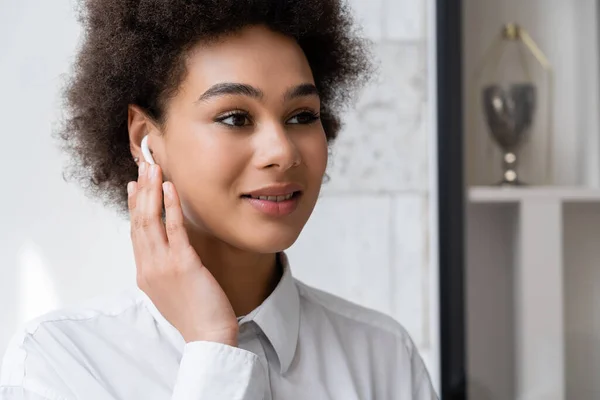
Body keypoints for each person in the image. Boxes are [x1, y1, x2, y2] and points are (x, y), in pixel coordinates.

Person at [0, 0, 437, 399]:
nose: (283, 151)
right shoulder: (59, 363)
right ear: (144, 138)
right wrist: (211, 343)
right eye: (235, 117)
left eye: (302, 116)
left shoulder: (384, 357)